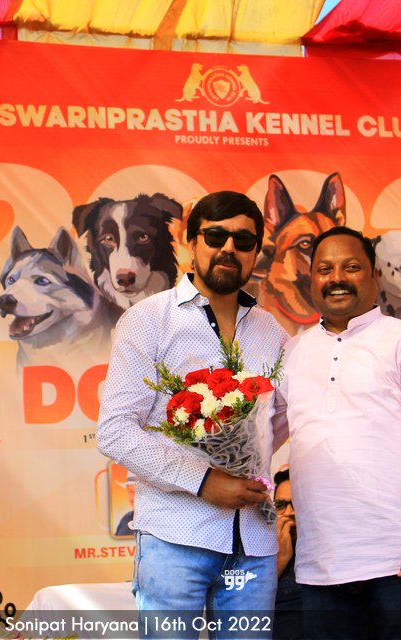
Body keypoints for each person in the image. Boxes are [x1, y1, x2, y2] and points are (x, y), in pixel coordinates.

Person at [96, 190, 289, 638]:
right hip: (175, 533)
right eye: (216, 236)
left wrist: (243, 462)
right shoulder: (149, 320)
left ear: (256, 252)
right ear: (191, 241)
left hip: (253, 541)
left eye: (244, 241)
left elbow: (279, 421)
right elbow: (115, 431)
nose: (229, 248)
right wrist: (203, 479)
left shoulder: (271, 331)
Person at [274, 226, 401, 639]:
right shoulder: (292, 353)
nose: (337, 278)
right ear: (311, 279)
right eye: (324, 269)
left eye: (351, 267)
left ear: (375, 276)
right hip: (320, 568)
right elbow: (260, 438)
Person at [271, 468, 302, 640]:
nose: (289, 512)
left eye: (297, 503)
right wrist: (280, 560)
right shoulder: (257, 550)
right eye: (281, 505)